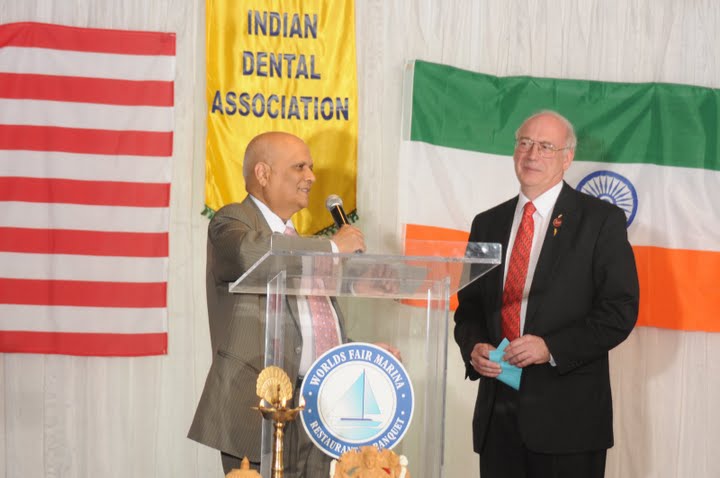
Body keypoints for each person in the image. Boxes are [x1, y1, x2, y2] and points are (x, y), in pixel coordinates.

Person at [454, 111, 639, 478]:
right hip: (497, 419)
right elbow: (468, 309)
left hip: (568, 423)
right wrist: (473, 347)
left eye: (545, 146)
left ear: (567, 158)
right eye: (524, 143)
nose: (532, 154)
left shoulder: (601, 221)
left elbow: (619, 311)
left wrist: (550, 347)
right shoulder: (486, 223)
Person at [188, 131, 367, 476]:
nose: (311, 177)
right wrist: (332, 248)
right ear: (263, 174)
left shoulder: (300, 244)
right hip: (260, 407)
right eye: (300, 167)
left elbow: (312, 325)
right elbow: (248, 255)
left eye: (311, 167)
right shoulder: (232, 221)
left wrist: (361, 353)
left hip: (319, 408)